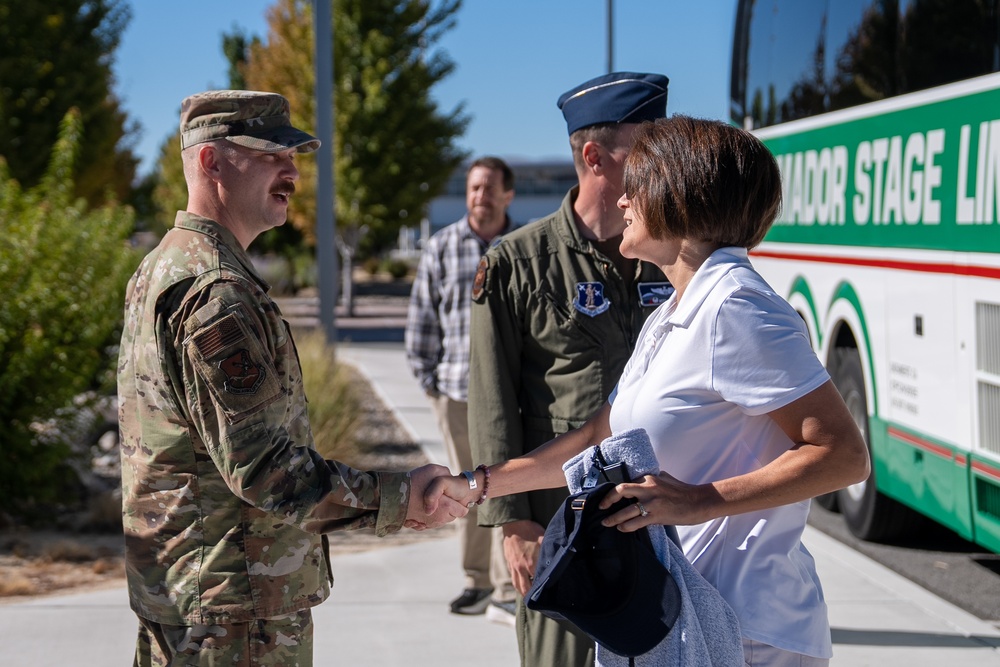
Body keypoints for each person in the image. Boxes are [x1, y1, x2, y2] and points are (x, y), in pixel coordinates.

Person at [429, 115, 871, 666]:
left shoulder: (738, 307)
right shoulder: (671, 313)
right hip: (684, 621)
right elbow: (598, 436)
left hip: (750, 632)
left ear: (679, 197)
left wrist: (698, 501)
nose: (622, 202)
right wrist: (479, 485)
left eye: (638, 186)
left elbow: (844, 456)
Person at [117, 89, 465, 667]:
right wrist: (401, 497)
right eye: (269, 153)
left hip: (198, 599)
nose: (291, 171)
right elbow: (267, 471)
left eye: (294, 155)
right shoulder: (215, 296)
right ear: (210, 162)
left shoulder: (165, 265)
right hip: (233, 615)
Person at [466, 72, 672, 666]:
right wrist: (512, 522)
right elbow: (493, 399)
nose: (663, 161)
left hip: (663, 510)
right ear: (594, 156)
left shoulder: (672, 256)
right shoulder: (517, 263)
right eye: (646, 146)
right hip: (561, 519)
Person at [405, 156, 518, 623]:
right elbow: (422, 321)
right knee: (464, 489)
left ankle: (509, 586)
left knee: (507, 486)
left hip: (511, 392)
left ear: (508, 194)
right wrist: (432, 384)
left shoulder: (523, 245)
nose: (481, 196)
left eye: (490, 188)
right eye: (474, 188)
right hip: (455, 391)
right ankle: (478, 581)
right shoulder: (441, 246)